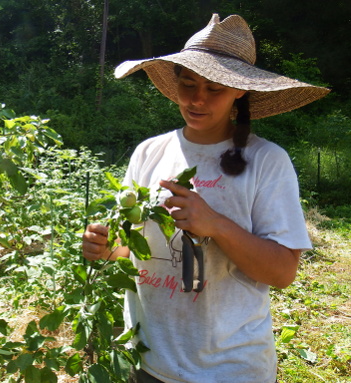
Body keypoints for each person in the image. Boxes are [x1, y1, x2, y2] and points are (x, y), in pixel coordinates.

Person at [82, 14, 329, 383]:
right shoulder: (149, 152)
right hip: (150, 360)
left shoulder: (266, 161)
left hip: (230, 369)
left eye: (214, 88)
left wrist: (215, 224)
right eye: (188, 83)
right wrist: (105, 247)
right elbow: (133, 250)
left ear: (239, 91)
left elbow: (282, 272)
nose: (197, 99)